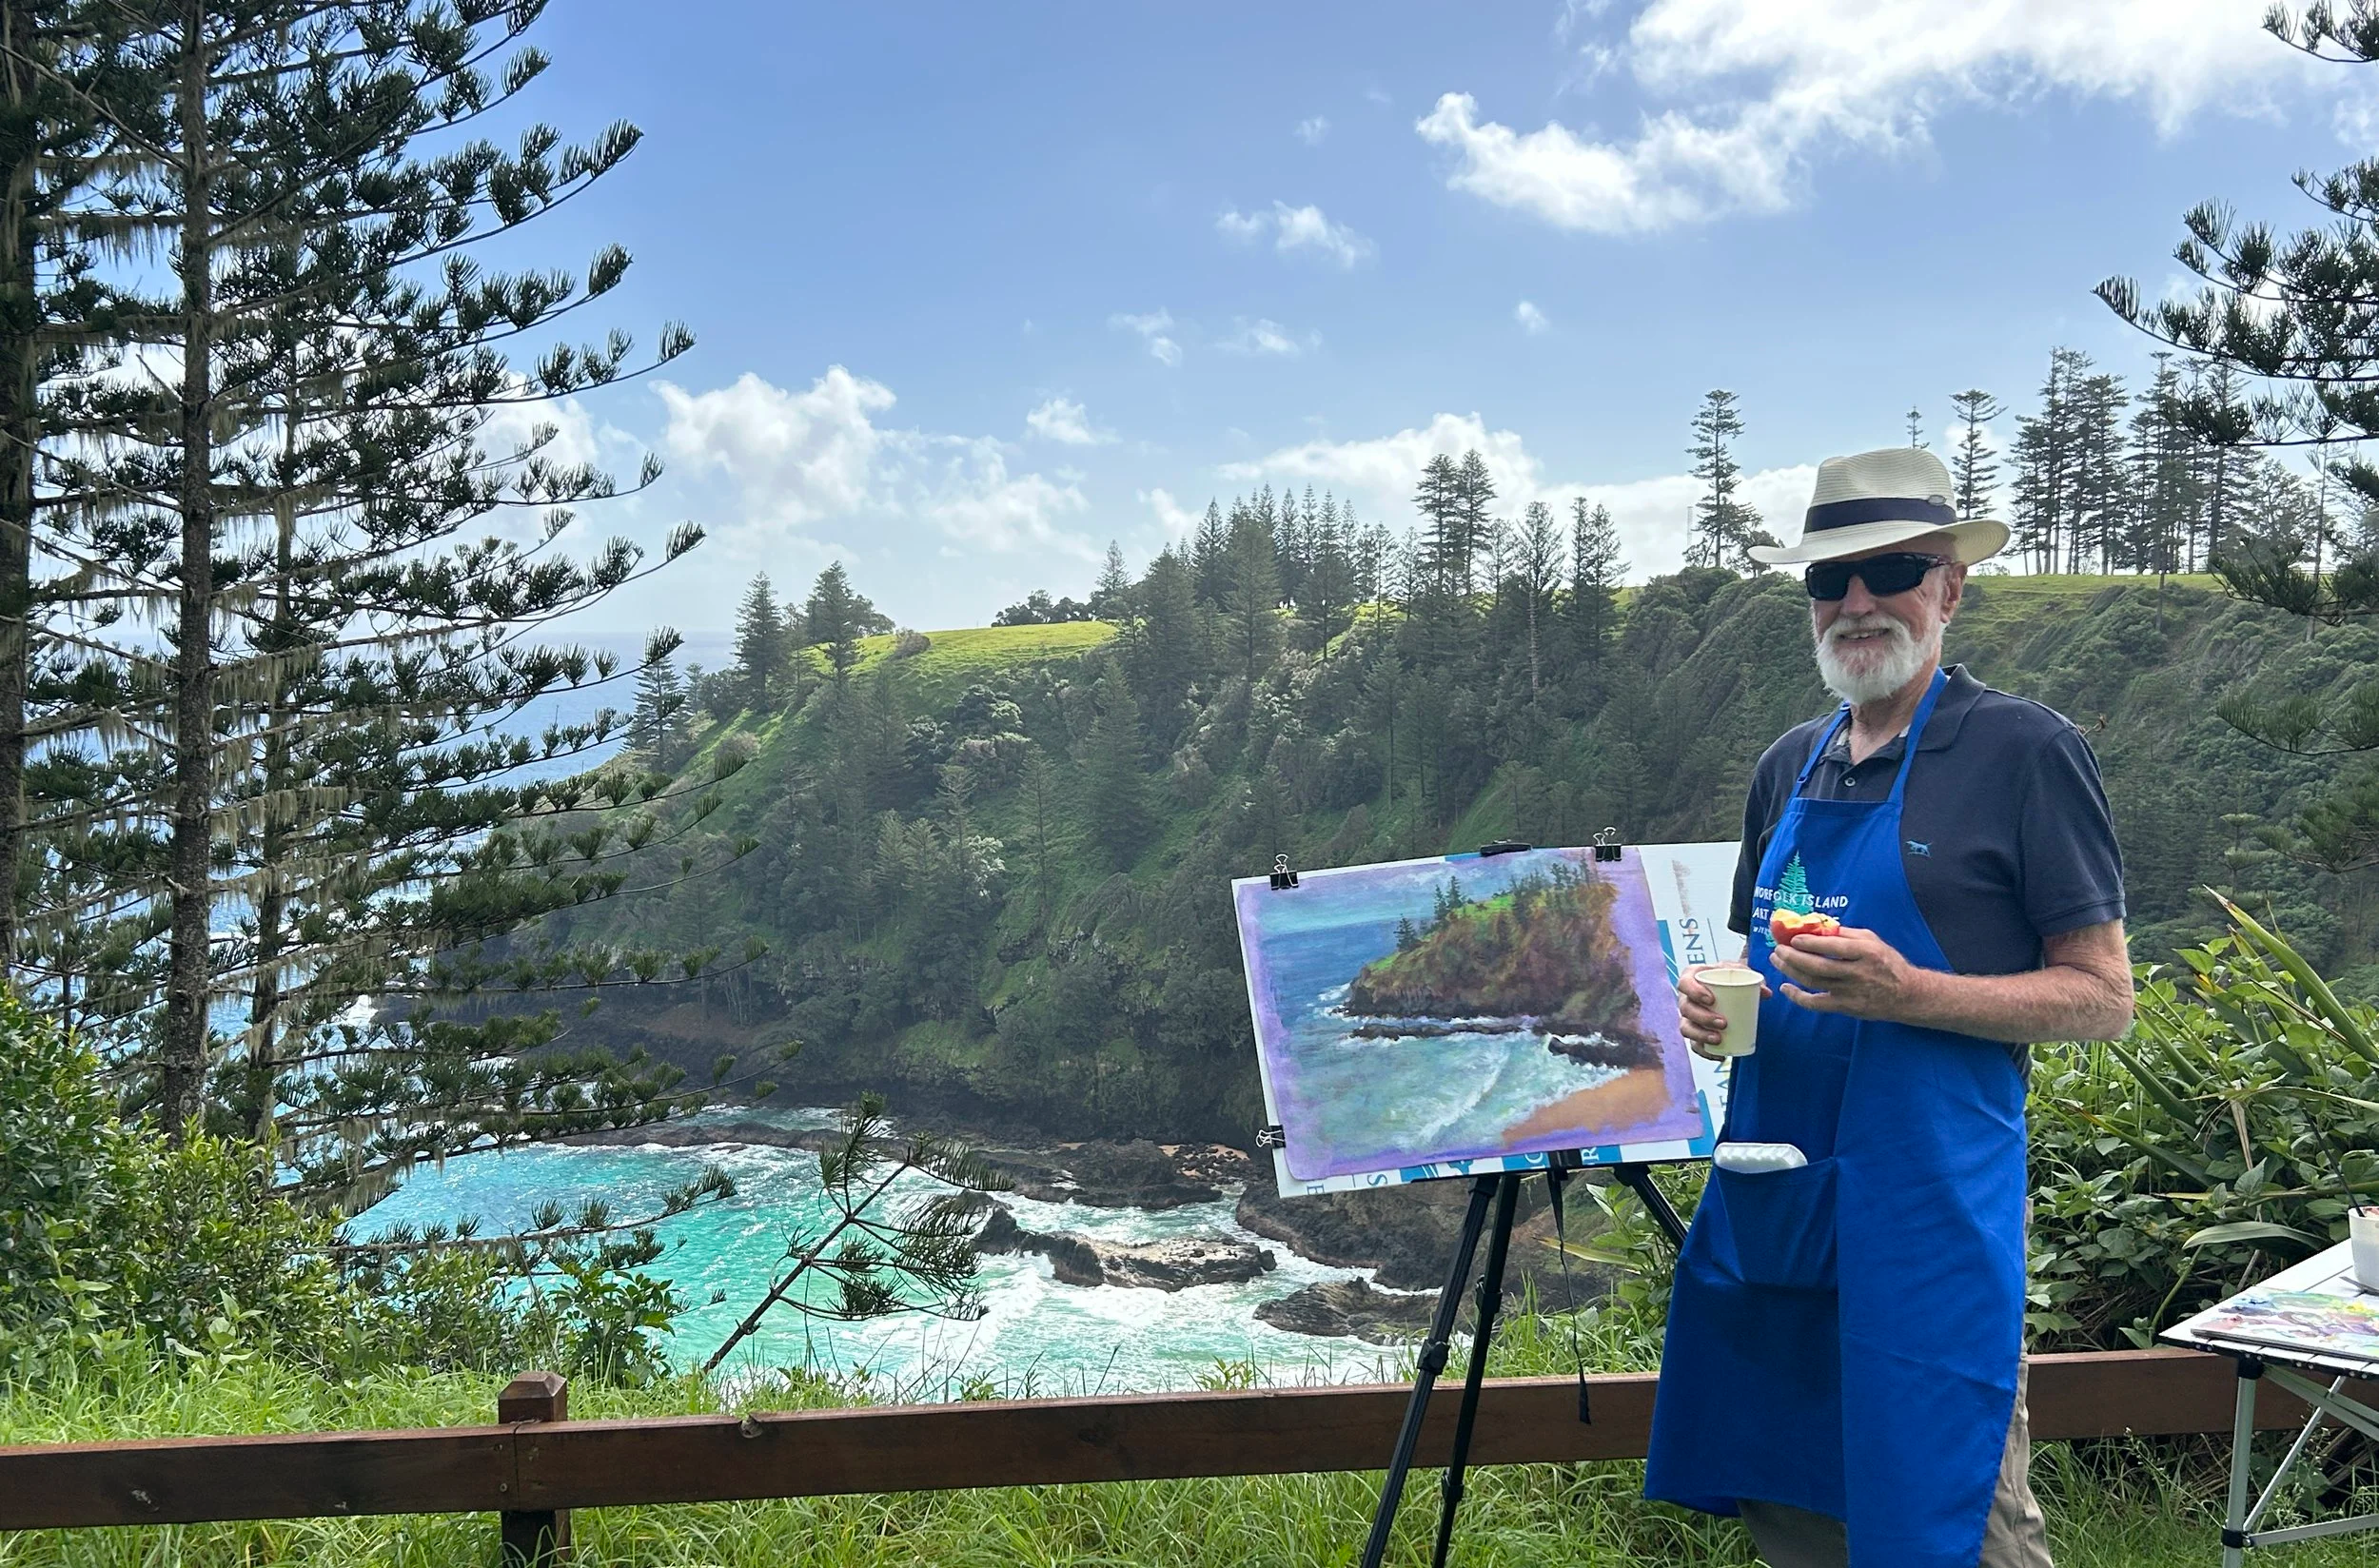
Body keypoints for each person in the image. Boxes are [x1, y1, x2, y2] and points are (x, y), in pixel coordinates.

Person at [1643, 447, 2133, 1568]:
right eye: (1831, 579)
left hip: (1929, 1216)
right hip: (1779, 1195)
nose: (1857, 601)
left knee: (1955, 1518)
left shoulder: (2025, 752)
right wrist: (1713, 1009)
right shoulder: (1786, 765)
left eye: (1894, 571)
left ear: (1949, 588)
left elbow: (2104, 998)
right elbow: (1759, 965)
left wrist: (1907, 992)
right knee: (1793, 1505)